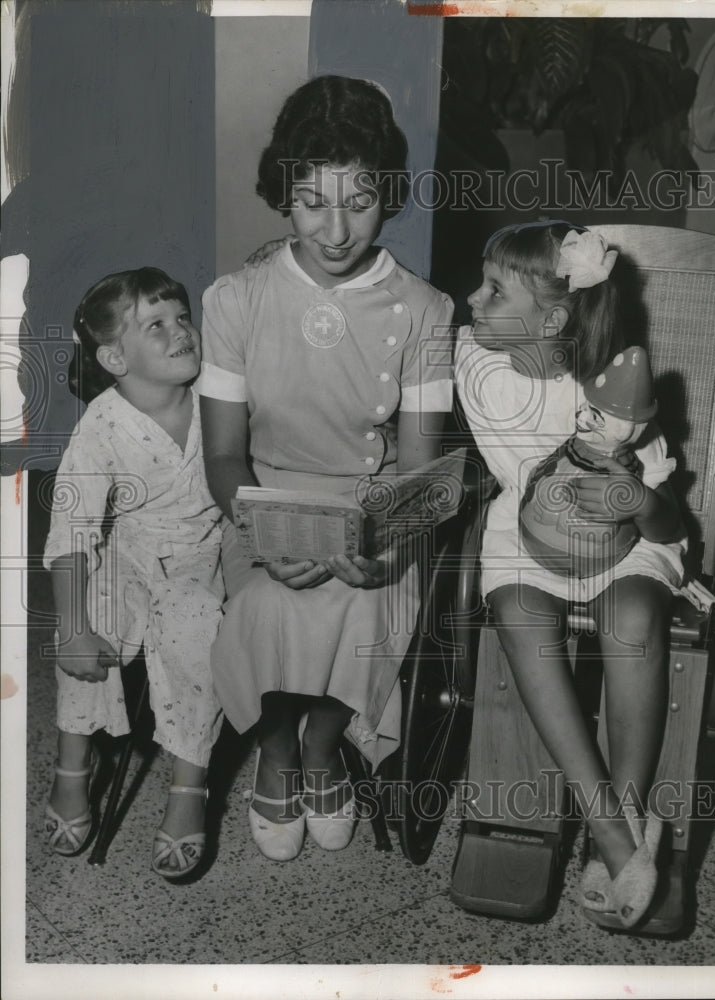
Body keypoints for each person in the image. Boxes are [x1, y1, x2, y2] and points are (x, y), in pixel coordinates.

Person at [199, 76, 453, 861]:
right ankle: (276, 752)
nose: (336, 229)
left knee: (372, 608)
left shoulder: (426, 311)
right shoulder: (233, 299)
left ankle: (323, 746)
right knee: (261, 608)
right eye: (312, 201)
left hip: (370, 511)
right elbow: (222, 453)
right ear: (283, 194)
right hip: (261, 503)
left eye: (360, 200)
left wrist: (382, 544)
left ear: (389, 196)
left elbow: (416, 469)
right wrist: (266, 534)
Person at [454, 221, 685, 929]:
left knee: (632, 617)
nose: (471, 299)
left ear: (553, 317)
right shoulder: (475, 360)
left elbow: (668, 526)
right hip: (526, 534)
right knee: (521, 615)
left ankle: (627, 809)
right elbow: (431, 327)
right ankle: (613, 832)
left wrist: (632, 495)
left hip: (623, 538)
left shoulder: (617, 392)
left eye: (494, 290)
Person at [43, 267, 224, 881]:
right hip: (131, 549)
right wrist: (71, 629)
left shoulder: (217, 402)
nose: (181, 332)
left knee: (194, 624)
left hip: (202, 553)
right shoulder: (101, 423)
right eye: (157, 325)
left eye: (182, 318)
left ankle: (189, 784)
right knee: (95, 610)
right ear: (115, 355)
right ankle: (73, 762)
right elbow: (71, 530)